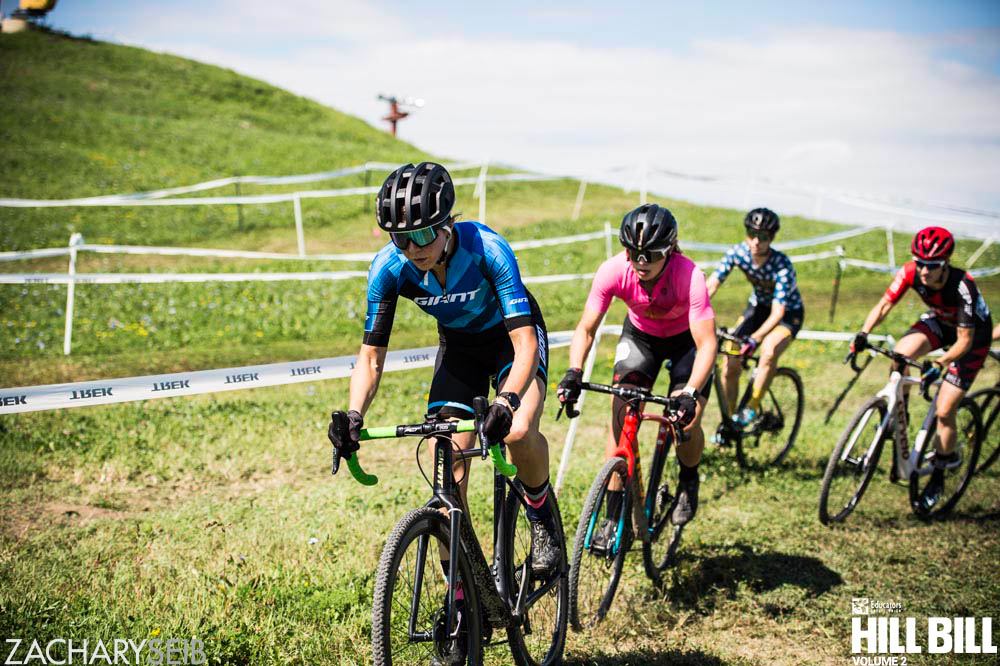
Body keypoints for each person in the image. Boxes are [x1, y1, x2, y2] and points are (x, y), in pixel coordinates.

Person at [327, 162, 561, 577]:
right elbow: (370, 357)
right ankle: (462, 590)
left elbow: (525, 343)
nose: (413, 248)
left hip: (511, 342)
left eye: (422, 234)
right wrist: (354, 413)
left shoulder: (487, 248)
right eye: (401, 238)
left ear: (447, 223)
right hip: (459, 349)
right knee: (447, 460)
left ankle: (541, 516)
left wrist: (506, 401)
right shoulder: (389, 269)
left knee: (520, 430)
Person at [557, 203, 717, 543]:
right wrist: (574, 371)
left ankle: (689, 478)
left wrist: (689, 393)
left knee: (685, 421)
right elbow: (586, 328)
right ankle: (614, 517)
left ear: (670, 249)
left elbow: (706, 344)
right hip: (641, 338)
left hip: (686, 343)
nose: (641, 262)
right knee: (621, 413)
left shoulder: (690, 276)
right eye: (633, 253)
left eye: (651, 254)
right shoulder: (613, 271)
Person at [850, 226, 993, 511]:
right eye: (920, 263)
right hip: (941, 322)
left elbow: (964, 341)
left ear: (946, 263)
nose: (924, 271)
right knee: (900, 355)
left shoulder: (963, 286)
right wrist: (863, 333)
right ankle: (896, 413)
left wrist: (939, 363)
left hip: (972, 338)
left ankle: (939, 473)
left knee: (944, 409)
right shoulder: (910, 272)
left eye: (932, 265)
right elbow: (884, 305)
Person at [705, 207, 805, 427]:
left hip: (787, 314)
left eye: (763, 237)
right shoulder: (738, 253)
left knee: (769, 350)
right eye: (752, 234)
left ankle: (752, 407)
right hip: (758, 308)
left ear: (772, 238)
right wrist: (693, 310)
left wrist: (755, 339)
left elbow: (778, 312)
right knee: (730, 357)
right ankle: (730, 420)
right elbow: (712, 284)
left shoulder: (782, 265)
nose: (756, 242)